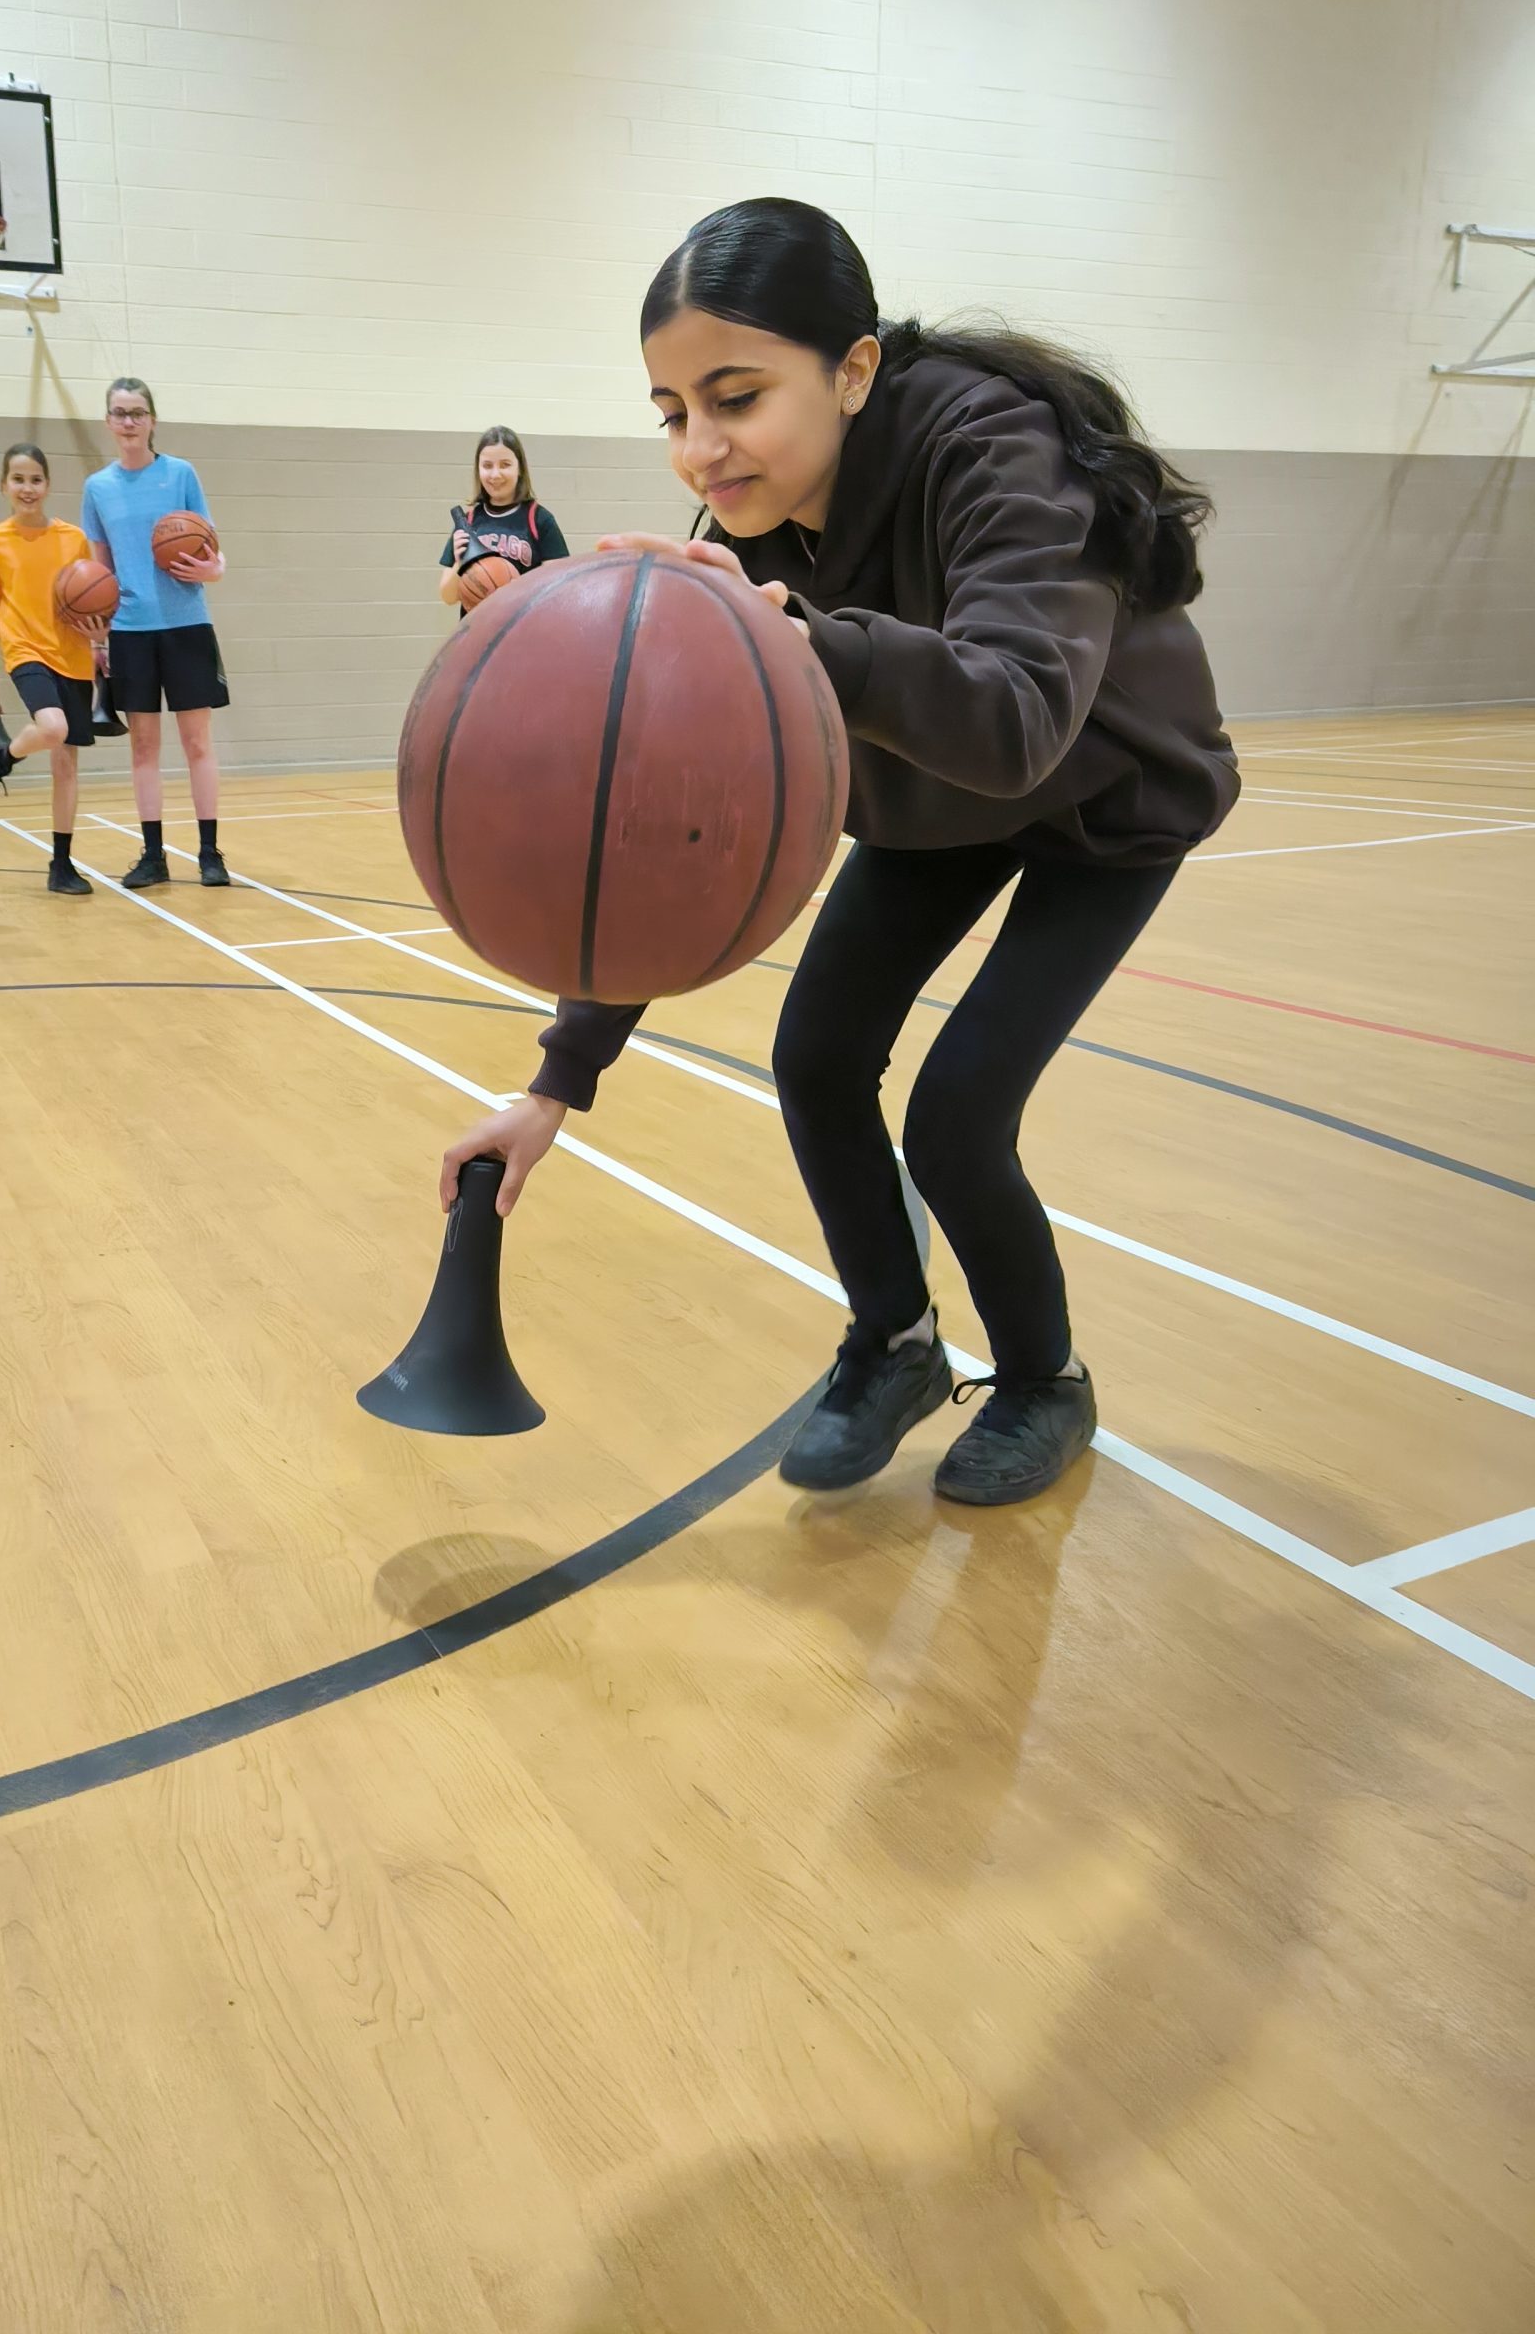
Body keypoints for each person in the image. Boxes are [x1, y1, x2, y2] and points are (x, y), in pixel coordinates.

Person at [441, 198, 1240, 1509]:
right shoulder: (743, 538)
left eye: (736, 398)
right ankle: (896, 1341)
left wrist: (801, 640)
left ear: (854, 369)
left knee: (958, 1115)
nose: (700, 448)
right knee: (815, 1058)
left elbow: (1019, 717)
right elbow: (663, 835)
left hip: (1106, 803)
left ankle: (1045, 1380)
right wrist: (555, 1082)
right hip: (939, 801)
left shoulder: (994, 442)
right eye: (672, 412)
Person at [81, 377, 231, 888]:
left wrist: (215, 570)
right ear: (108, 421)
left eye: (137, 412)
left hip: (186, 623)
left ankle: (210, 853)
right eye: (120, 413)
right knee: (143, 747)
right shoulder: (97, 488)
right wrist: (98, 640)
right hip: (129, 630)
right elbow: (99, 568)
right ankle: (153, 856)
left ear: (152, 420)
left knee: (197, 743)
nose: (129, 422)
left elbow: (213, 550)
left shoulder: (180, 473)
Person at [0, 443, 99, 895]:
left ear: (48, 485)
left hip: (74, 655)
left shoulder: (73, 539)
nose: (27, 488)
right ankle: (5, 758)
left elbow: (89, 598)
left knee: (66, 765)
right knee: (54, 728)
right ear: (4, 485)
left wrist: (100, 634)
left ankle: (61, 865)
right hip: (26, 652)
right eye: (18, 479)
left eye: (35, 479)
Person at [437, 426, 570, 611]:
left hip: (521, 625)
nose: (495, 474)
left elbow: (560, 587)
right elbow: (448, 597)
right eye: (487, 466)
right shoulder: (468, 522)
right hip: (477, 626)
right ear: (478, 470)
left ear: (519, 468)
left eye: (505, 465)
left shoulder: (540, 520)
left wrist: (518, 590)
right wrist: (459, 564)